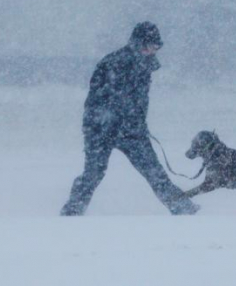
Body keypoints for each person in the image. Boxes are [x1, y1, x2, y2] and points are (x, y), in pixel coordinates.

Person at [60, 22, 199, 216]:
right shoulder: (114, 63)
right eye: (152, 45)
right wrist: (114, 121)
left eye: (157, 46)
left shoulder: (144, 64)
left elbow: (137, 100)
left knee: (154, 172)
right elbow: (101, 100)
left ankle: (183, 208)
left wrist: (137, 123)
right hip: (101, 130)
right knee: (94, 174)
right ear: (140, 43)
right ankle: (72, 212)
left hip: (132, 131)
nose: (155, 50)